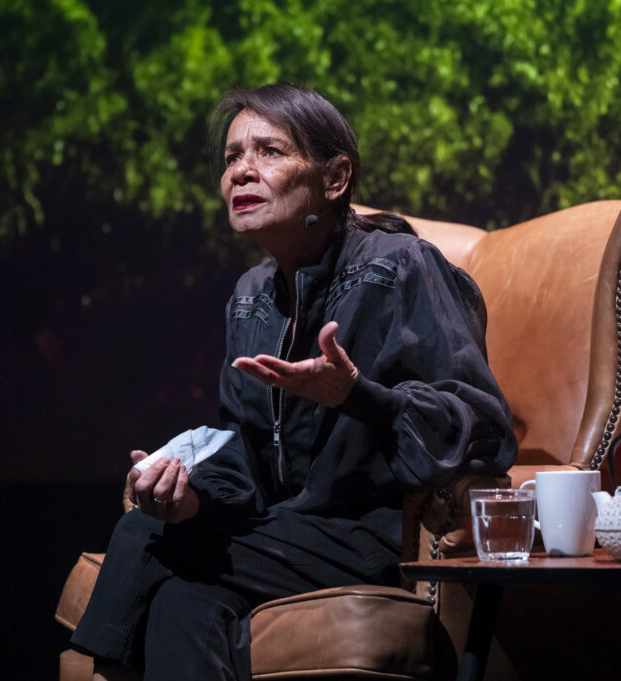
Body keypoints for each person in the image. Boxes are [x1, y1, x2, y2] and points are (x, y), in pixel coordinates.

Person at [70, 83, 517, 681]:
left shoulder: (402, 267)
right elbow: (244, 456)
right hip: (281, 534)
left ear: (335, 179)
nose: (241, 172)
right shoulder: (250, 299)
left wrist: (357, 395)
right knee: (182, 596)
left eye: (269, 152)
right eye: (232, 157)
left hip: (374, 536)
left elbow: (483, 427)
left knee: (145, 535)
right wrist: (189, 495)